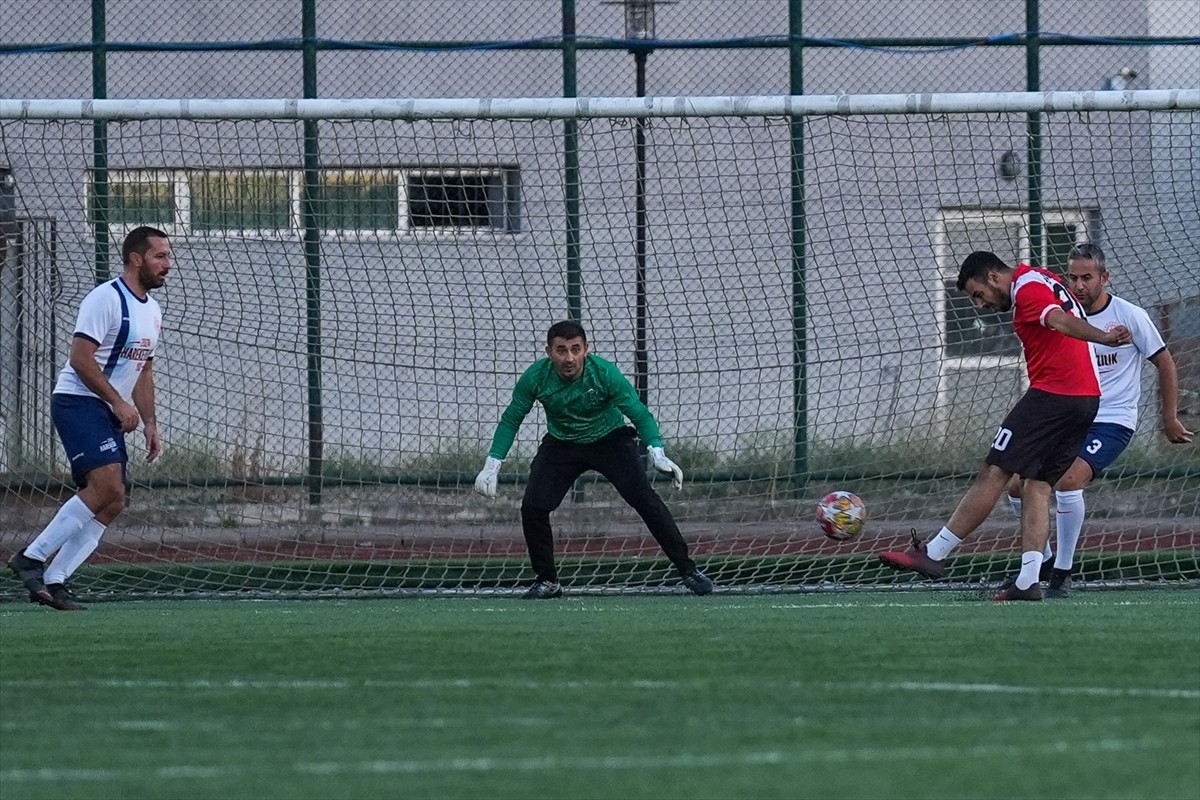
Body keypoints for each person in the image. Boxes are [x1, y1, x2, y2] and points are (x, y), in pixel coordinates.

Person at [878, 251, 1132, 601]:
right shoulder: (1042, 276)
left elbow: (1057, 320)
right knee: (1037, 484)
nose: (979, 305)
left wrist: (1102, 338)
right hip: (1086, 398)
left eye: (978, 294)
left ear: (994, 277)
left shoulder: (1027, 288)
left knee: (995, 470)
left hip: (1055, 393)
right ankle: (1029, 580)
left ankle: (933, 554)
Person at [1003, 243, 1193, 597]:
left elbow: (1165, 362)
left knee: (1070, 479)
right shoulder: (1062, 315)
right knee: (1016, 484)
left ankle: (1062, 572)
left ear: (1104, 278)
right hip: (1070, 415)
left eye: (1087, 277)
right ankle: (1041, 560)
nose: (1078, 285)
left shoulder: (1129, 315)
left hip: (1112, 421)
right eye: (1073, 277)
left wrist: (1169, 417)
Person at [474, 320, 712, 599]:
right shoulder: (535, 377)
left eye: (576, 349)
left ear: (587, 349)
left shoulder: (605, 374)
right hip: (561, 445)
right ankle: (547, 581)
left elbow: (639, 413)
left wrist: (657, 452)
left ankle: (688, 570)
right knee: (533, 507)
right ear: (549, 352)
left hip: (609, 440)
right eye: (561, 350)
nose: (569, 358)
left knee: (645, 499)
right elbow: (512, 418)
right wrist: (492, 464)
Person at [7, 226, 170, 611]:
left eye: (168, 256)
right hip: (77, 401)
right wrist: (117, 402)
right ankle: (30, 558)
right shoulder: (105, 298)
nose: (168, 265)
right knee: (107, 486)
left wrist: (149, 422)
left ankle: (55, 580)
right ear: (136, 258)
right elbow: (81, 359)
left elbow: (143, 371)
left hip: (109, 408)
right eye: (160, 256)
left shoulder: (153, 309)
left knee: (114, 501)